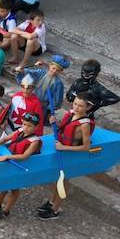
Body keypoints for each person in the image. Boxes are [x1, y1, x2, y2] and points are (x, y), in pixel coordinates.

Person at [38, 92, 94, 221]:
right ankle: (52, 202)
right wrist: (55, 123)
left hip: (70, 154)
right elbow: (63, 129)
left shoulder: (84, 124)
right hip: (62, 150)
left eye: (80, 106)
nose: (76, 108)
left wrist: (64, 148)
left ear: (88, 107)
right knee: (57, 179)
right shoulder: (71, 114)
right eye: (75, 104)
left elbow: (86, 147)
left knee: (63, 181)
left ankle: (56, 209)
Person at [0, 112, 43, 219]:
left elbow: (25, 156)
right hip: (10, 163)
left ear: (36, 127)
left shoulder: (34, 141)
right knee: (4, 185)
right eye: (24, 124)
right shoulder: (20, 130)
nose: (25, 128)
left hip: (19, 165)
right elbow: (5, 139)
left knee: (14, 189)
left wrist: (7, 157)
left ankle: (6, 210)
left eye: (29, 126)